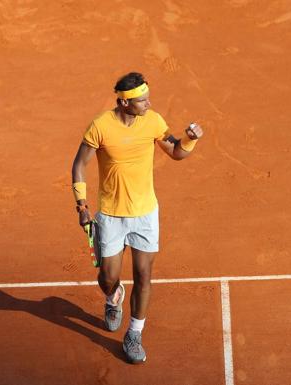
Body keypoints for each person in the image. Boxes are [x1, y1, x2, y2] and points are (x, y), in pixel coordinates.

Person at [71, 72, 203, 364]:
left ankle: (134, 333)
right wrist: (82, 206)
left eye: (147, 98)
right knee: (107, 278)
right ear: (123, 102)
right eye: (141, 100)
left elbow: (177, 153)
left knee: (144, 276)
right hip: (111, 216)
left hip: (145, 214)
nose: (148, 103)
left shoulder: (153, 121)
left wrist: (189, 140)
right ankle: (113, 295)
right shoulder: (101, 126)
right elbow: (79, 166)